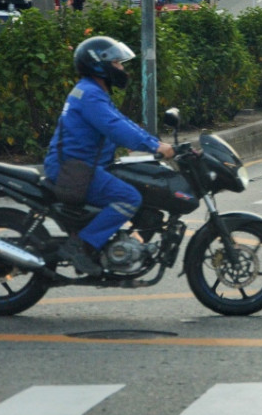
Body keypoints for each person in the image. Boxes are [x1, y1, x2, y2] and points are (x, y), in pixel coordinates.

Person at [45, 36, 174, 276]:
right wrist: (155, 147)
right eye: (117, 63)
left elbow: (121, 122)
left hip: (80, 167)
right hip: (74, 170)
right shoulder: (91, 95)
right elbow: (116, 129)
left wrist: (155, 143)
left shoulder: (93, 91)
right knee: (129, 198)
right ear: (99, 65)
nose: (122, 69)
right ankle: (81, 247)